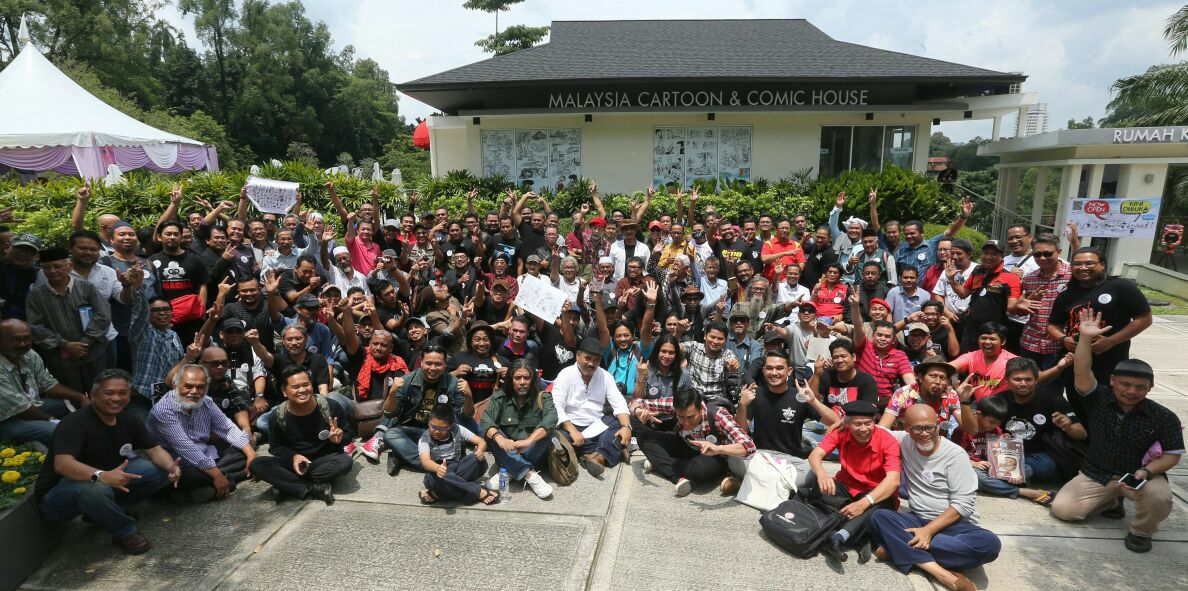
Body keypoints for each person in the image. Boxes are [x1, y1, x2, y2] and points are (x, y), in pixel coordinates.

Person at [1050, 309, 1182, 553]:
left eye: (1140, 387)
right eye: (1125, 384)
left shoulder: (1164, 416)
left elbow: (1172, 455)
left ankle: (1141, 532)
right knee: (1063, 510)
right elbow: (1081, 371)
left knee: (1159, 497)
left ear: (1151, 387)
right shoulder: (1098, 398)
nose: (1131, 391)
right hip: (1097, 472)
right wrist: (1085, 338)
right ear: (1112, 381)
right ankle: (1111, 502)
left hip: (1138, 476)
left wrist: (1147, 471)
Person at [35, 369, 182, 555]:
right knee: (95, 489)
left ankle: (105, 512)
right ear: (93, 395)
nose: (116, 398)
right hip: (57, 497)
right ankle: (125, 532)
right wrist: (101, 476)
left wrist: (171, 467)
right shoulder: (74, 423)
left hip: (104, 480)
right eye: (109, 393)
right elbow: (62, 464)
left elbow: (154, 450)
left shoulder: (128, 419)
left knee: (159, 471)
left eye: (123, 393)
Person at [870, 405, 1002, 591]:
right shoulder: (904, 440)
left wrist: (928, 531)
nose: (924, 433)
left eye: (929, 427)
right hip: (918, 519)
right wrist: (847, 420)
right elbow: (872, 429)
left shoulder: (955, 455)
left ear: (938, 425)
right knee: (880, 516)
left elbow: (963, 505)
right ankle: (942, 573)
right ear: (906, 427)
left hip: (955, 526)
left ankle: (897, 548)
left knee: (989, 545)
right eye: (917, 428)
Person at [1047, 247, 1153, 418]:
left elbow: (1144, 318)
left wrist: (1111, 341)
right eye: (1077, 264)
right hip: (1075, 365)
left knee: (1109, 413)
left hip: (1110, 364)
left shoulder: (1120, 287)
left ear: (1102, 265)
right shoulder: (1066, 293)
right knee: (1080, 410)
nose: (1083, 268)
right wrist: (1063, 339)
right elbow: (1053, 324)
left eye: (1089, 263)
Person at [805, 400, 901, 562]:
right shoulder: (840, 433)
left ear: (874, 422)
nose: (863, 429)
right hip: (846, 488)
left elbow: (893, 480)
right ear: (847, 423)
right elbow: (815, 455)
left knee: (881, 505)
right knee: (815, 483)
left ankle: (838, 537)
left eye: (868, 423)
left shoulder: (887, 440)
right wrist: (822, 474)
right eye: (857, 424)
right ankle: (861, 535)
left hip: (872, 493)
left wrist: (863, 503)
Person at [147, 364, 256, 503]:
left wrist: (252, 456)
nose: (194, 392)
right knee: (193, 475)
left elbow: (227, 428)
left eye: (200, 387)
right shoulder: (162, 411)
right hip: (179, 463)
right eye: (188, 386)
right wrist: (217, 475)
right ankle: (225, 479)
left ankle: (213, 485)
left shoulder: (206, 402)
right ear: (175, 385)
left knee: (245, 448)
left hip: (206, 454)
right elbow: (187, 448)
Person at [734, 351, 838, 490]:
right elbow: (740, 433)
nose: (774, 373)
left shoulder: (800, 396)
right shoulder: (755, 395)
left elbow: (835, 421)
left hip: (790, 461)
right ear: (763, 371)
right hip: (760, 456)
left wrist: (813, 401)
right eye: (769, 368)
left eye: (779, 368)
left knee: (810, 473)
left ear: (789, 371)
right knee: (733, 459)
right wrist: (742, 405)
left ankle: (754, 483)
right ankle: (777, 485)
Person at [250, 365, 352, 505]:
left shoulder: (331, 406)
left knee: (345, 463)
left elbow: (348, 434)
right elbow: (275, 447)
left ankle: (287, 485)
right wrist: (293, 457)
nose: (303, 390)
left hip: (323, 461)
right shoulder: (278, 415)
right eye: (296, 387)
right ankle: (312, 488)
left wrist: (339, 439)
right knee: (257, 464)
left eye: (306, 385)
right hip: (293, 463)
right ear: (284, 391)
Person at [631, 386, 756, 496]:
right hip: (685, 445)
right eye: (681, 417)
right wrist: (638, 410)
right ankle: (675, 475)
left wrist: (718, 449)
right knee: (644, 437)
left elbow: (749, 446)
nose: (686, 422)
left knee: (699, 471)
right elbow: (636, 402)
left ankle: (660, 462)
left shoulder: (718, 415)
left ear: (700, 408)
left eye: (691, 417)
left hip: (712, 456)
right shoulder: (675, 405)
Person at [988, 357, 1085, 491]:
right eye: (1017, 379)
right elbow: (980, 429)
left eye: (1028, 379)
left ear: (1036, 379)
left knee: (1047, 466)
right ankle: (1013, 475)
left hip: (1040, 456)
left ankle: (1012, 474)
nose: (1023, 384)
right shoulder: (998, 400)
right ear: (1007, 380)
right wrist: (998, 437)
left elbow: (1081, 434)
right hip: (1007, 453)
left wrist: (1068, 427)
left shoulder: (1053, 399)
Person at [26, 247, 112, 393]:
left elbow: (103, 315)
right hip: (60, 358)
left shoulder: (86, 287)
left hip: (94, 352)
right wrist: (65, 344)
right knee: (72, 396)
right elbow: (35, 326)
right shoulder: (36, 295)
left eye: (57, 266)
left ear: (69, 266)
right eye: (47, 267)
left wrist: (85, 342)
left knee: (100, 391)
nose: (52, 271)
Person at [378, 345, 472, 476]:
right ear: (421, 362)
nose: (433, 368)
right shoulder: (407, 380)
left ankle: (402, 456)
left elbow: (465, 417)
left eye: (438, 364)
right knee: (391, 435)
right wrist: (392, 392)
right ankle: (439, 466)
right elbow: (389, 413)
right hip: (414, 430)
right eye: (428, 363)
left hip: (441, 431)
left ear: (445, 364)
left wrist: (469, 396)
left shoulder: (454, 383)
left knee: (458, 445)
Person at [550, 337, 633, 477]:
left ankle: (597, 456)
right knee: (558, 439)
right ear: (578, 356)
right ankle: (611, 449)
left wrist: (626, 427)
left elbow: (619, 403)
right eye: (587, 358)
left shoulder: (605, 376)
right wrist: (572, 431)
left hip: (597, 426)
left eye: (596, 360)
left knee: (618, 423)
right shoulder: (565, 375)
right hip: (570, 428)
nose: (591, 363)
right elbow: (556, 406)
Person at [0, 319, 90, 445]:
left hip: (29, 405)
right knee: (57, 431)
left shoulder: (29, 354)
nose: (22, 344)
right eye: (16, 339)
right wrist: (51, 419)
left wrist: (81, 397)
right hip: (6, 419)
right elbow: (19, 407)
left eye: (27, 339)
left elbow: (47, 383)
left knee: (73, 404)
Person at [951, 395, 1055, 504]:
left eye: (998, 423)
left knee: (1027, 469)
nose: (995, 425)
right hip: (972, 467)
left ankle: (1001, 486)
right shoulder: (962, 430)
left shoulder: (996, 430)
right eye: (991, 422)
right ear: (978, 414)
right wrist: (973, 463)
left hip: (992, 466)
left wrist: (1011, 471)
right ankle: (1021, 491)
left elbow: (1001, 456)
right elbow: (956, 457)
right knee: (978, 477)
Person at [480, 360, 556, 499]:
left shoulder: (543, 397)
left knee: (549, 430)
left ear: (533, 379)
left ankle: (510, 470)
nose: (522, 382)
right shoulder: (501, 397)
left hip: (532, 450)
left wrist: (529, 440)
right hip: (507, 449)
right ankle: (529, 474)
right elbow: (485, 419)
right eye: (517, 378)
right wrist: (499, 438)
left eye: (526, 378)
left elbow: (551, 419)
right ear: (511, 379)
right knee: (489, 432)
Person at [943, 240, 1022, 353]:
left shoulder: (1011, 278)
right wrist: (951, 279)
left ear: (1003, 256)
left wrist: (1021, 304)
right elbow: (963, 293)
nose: (988, 257)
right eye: (986, 253)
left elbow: (1012, 307)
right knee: (968, 360)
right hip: (971, 329)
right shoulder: (977, 271)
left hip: (992, 333)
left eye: (994, 254)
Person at [1015, 234, 1071, 395]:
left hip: (1058, 343)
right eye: (1037, 254)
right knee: (1028, 385)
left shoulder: (1072, 276)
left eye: (1047, 253)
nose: (1042, 258)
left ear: (1059, 252)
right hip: (1030, 342)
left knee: (1053, 389)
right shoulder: (1029, 279)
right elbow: (1021, 311)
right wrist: (1026, 302)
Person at [418, 403, 499, 505]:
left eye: (442, 428)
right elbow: (425, 462)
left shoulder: (457, 429)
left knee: (476, 459)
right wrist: (437, 468)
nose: (437, 431)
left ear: (450, 426)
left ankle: (439, 494)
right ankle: (477, 491)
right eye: (433, 427)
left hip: (460, 467)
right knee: (432, 477)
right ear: (429, 422)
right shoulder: (425, 439)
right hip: (439, 471)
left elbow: (481, 441)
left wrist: (480, 451)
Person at [880, 361, 977, 438]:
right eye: (933, 376)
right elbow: (882, 429)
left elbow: (972, 431)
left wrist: (965, 401)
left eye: (943, 378)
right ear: (921, 378)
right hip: (906, 444)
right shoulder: (903, 393)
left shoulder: (951, 396)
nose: (938, 382)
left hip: (937, 447)